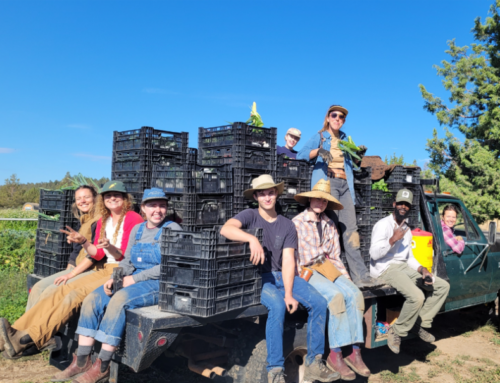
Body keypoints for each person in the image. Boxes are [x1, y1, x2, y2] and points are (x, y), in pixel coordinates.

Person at [0, 181, 143, 358]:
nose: (112, 198)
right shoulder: (104, 221)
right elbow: (97, 254)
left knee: (73, 296)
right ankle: (14, 333)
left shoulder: (133, 218)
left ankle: (30, 338)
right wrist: (84, 241)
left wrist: (110, 247)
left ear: (125, 198)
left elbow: (126, 257)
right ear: (103, 199)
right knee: (61, 290)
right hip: (104, 267)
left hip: (119, 270)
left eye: (117, 195)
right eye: (108, 195)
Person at [51, 188, 181, 383]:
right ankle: (82, 360)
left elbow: (170, 265)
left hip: (159, 283)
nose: (157, 210)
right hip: (133, 278)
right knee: (94, 298)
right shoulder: (138, 229)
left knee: (119, 299)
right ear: (143, 209)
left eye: (162, 206)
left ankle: (102, 365)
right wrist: (116, 277)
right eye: (152, 205)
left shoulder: (172, 229)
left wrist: (133, 280)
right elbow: (127, 259)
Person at [220, 174, 338, 383]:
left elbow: (288, 260)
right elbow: (226, 229)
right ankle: (275, 370)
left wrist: (290, 293)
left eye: (271, 193)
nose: (267, 197)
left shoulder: (286, 225)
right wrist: (251, 238)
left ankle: (314, 362)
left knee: (319, 302)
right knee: (277, 306)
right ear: (256, 196)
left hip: (282, 275)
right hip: (258, 277)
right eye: (262, 194)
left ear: (276, 194)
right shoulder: (249, 215)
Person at [293, 179, 370, 380]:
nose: (320, 203)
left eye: (324, 201)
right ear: (309, 200)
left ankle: (354, 352)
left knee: (355, 294)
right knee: (335, 296)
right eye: (317, 199)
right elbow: (294, 257)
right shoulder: (297, 223)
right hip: (307, 268)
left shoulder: (328, 224)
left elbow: (335, 256)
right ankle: (335, 354)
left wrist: (346, 279)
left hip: (326, 265)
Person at [297, 105, 378, 288]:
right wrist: (318, 151)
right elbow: (301, 155)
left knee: (351, 230)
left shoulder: (344, 140)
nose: (338, 119)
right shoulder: (320, 137)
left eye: (341, 117)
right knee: (330, 229)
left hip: (345, 185)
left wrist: (357, 155)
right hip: (328, 183)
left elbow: (354, 167)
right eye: (334, 115)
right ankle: (330, 275)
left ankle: (361, 276)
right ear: (327, 118)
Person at [370, 189, 450, 354]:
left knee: (442, 286)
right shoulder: (383, 225)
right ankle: (396, 331)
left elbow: (409, 257)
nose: (403, 207)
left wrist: (423, 270)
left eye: (407, 205)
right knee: (417, 296)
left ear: (410, 208)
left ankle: (417, 323)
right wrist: (393, 239)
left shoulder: (406, 228)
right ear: (394, 204)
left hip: (403, 267)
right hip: (385, 268)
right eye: (400, 203)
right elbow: (374, 255)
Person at [26, 185, 101, 311]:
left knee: (51, 290)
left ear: (95, 199)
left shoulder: (99, 221)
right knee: (38, 287)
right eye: (78, 198)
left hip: (91, 268)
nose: (82, 201)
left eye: (86, 197)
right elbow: (77, 250)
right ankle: (23, 326)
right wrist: (70, 266)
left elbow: (95, 254)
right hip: (79, 266)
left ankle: (33, 328)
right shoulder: (84, 220)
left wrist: (71, 274)